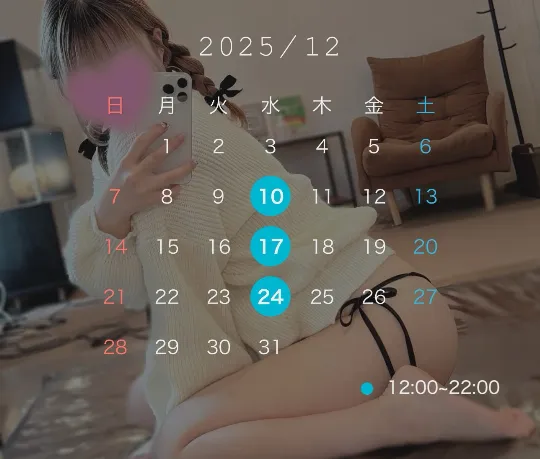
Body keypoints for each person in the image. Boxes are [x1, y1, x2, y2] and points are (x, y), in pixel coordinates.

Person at [40, 1, 535, 458]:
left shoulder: (158, 137)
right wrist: (109, 215)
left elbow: (189, 315)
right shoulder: (134, 143)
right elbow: (129, 281)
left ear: (156, 46)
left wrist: (184, 425)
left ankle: (396, 417)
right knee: (144, 404)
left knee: (183, 444)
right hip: (393, 315)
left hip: (377, 325)